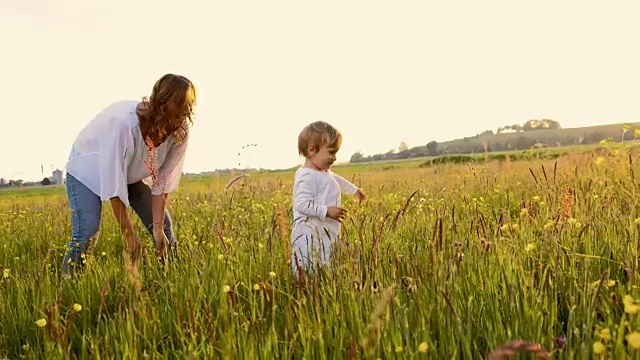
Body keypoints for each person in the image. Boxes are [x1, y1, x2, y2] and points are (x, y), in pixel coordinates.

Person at [61, 73, 196, 277]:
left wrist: (157, 228)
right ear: (163, 105)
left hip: (129, 173)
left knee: (164, 227)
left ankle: (174, 279)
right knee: (87, 232)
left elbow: (162, 182)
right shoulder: (123, 124)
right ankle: (68, 284)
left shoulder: (180, 131)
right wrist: (128, 233)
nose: (183, 120)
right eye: (178, 114)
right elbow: (113, 182)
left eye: (187, 113)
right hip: (87, 169)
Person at [291, 121, 366, 276]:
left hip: (323, 229)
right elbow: (301, 204)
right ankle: (307, 286)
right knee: (309, 262)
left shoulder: (322, 172)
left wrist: (354, 190)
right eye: (331, 152)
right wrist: (326, 211)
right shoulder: (307, 176)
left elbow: (335, 179)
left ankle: (324, 282)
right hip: (309, 232)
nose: (334, 158)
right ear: (312, 150)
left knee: (326, 260)